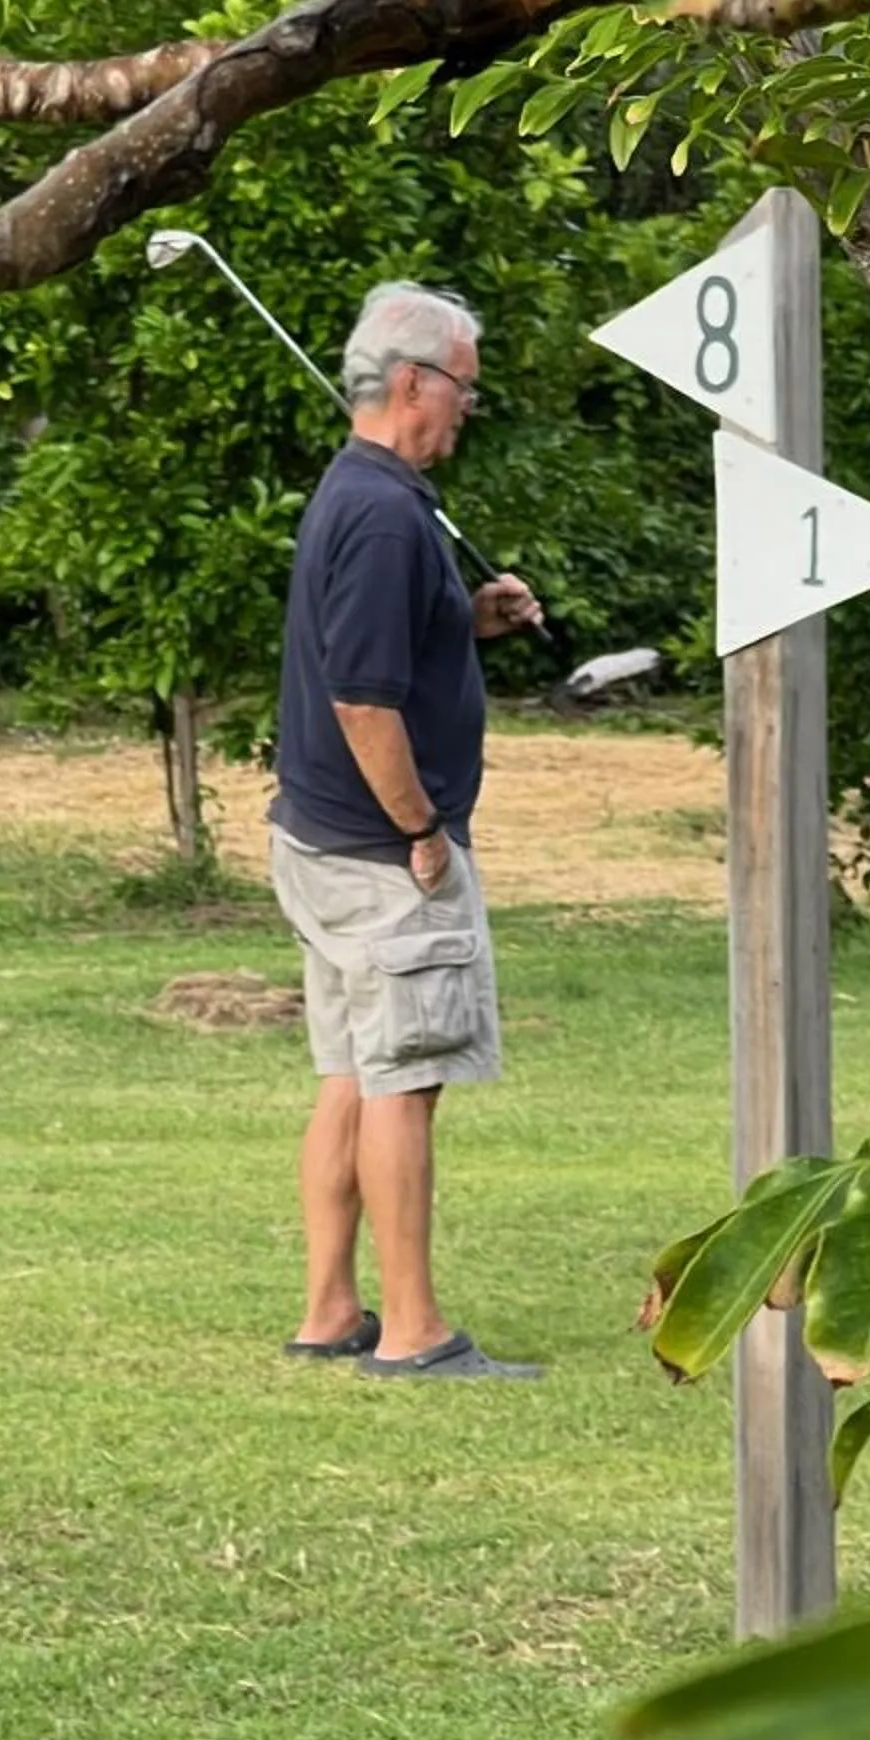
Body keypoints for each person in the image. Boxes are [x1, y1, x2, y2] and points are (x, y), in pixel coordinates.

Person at [267, 281, 546, 1381]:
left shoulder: (363, 490)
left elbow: (376, 647)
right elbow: (362, 699)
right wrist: (421, 829)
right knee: (404, 1080)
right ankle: (416, 1330)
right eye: (465, 386)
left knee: (352, 1071)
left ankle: (330, 1310)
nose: (470, 406)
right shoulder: (387, 515)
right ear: (415, 382)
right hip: (381, 856)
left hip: (320, 843)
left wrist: (465, 620)